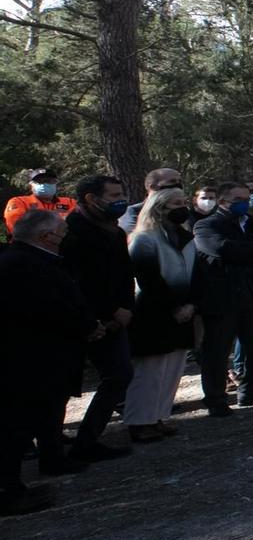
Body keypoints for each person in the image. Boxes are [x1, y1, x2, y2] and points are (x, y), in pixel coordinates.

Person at [0, 208, 99, 513]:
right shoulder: (21, 264)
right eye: (62, 232)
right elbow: (48, 308)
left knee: (43, 413)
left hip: (45, 355)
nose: (66, 237)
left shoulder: (34, 260)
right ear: (46, 236)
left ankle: (50, 459)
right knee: (15, 427)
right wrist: (85, 326)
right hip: (27, 358)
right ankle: (8, 491)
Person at [59, 174, 136, 462]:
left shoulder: (113, 230)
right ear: (91, 198)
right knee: (62, 386)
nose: (120, 201)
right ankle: (51, 445)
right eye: (114, 196)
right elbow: (77, 281)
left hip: (117, 316)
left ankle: (87, 440)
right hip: (83, 319)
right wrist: (106, 312)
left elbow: (124, 273)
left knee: (119, 375)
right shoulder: (71, 232)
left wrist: (126, 307)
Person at [193, 182, 253, 412]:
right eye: (238, 200)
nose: (246, 202)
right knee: (217, 350)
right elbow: (221, 249)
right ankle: (216, 399)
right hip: (222, 296)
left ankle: (251, 390)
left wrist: (245, 252)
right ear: (223, 201)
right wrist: (252, 252)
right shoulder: (206, 225)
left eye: (248, 197)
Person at [125, 188, 203, 440]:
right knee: (150, 370)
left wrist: (191, 303)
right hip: (153, 312)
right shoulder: (144, 239)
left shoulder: (185, 237)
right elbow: (148, 279)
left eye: (183, 202)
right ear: (159, 208)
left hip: (185, 309)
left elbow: (196, 275)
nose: (182, 207)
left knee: (173, 367)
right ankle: (140, 421)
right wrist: (175, 307)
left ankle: (159, 416)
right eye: (175, 204)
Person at [5, 166, 75, 236]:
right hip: (28, 245)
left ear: (55, 183)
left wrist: (36, 222)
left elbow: (78, 224)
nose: (44, 184)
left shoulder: (70, 202)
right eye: (39, 181)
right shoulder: (19, 202)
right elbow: (17, 228)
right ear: (31, 185)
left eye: (49, 181)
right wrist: (61, 219)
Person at [120, 166, 183, 234]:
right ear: (153, 187)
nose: (178, 185)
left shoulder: (182, 210)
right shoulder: (132, 211)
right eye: (172, 181)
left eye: (179, 181)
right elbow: (132, 235)